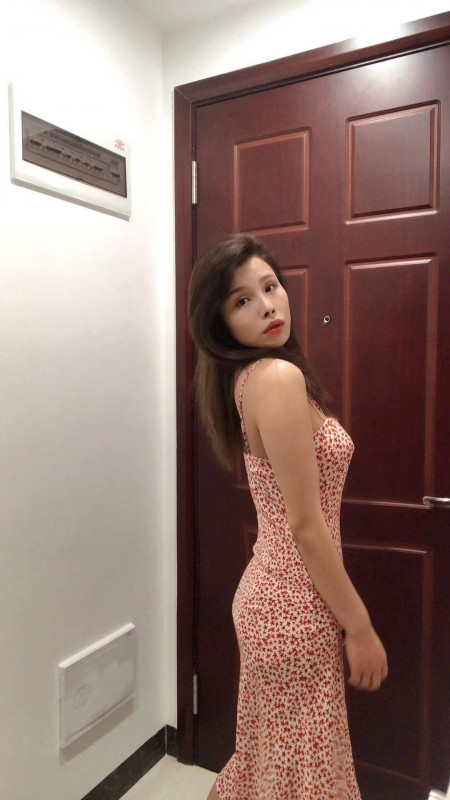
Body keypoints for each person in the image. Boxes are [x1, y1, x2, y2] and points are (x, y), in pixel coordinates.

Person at [188, 234, 388, 800]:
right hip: (293, 609)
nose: (267, 305)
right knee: (305, 772)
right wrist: (360, 627)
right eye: (242, 300)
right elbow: (305, 525)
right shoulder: (275, 378)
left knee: (280, 766)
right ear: (220, 322)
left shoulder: (255, 377)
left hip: (280, 601)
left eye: (270, 287)